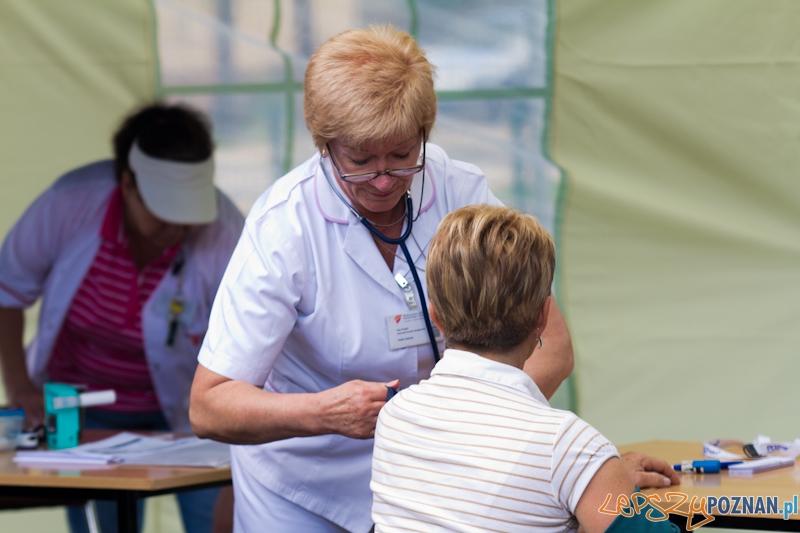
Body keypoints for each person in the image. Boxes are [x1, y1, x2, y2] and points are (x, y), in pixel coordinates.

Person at [188, 25, 675, 533]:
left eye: (401, 155)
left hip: (437, 472)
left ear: (424, 131)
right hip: (306, 488)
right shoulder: (283, 226)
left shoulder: (460, 189)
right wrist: (323, 413)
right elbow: (209, 404)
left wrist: (517, 456)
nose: (382, 179)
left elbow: (551, 342)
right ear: (324, 145)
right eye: (360, 160)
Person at [0, 103, 243, 533]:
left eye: (188, 215)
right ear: (127, 185)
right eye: (164, 212)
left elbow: (251, 334)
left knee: (215, 519)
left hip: (190, 419)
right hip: (86, 414)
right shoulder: (69, 203)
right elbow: (6, 293)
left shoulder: (224, 231)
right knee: (102, 523)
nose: (177, 227)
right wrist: (20, 388)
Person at [371, 205, 679, 532]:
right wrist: (598, 477)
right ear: (542, 318)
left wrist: (590, 478)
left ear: (436, 317)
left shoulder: (394, 417)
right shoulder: (569, 446)